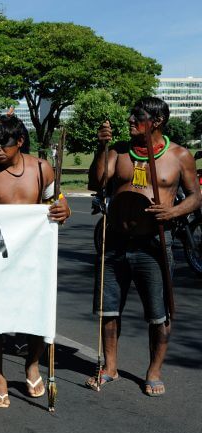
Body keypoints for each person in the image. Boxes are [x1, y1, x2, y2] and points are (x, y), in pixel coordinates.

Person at [86, 97, 200, 396]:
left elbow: (195, 197)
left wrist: (173, 212)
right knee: (108, 309)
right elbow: (95, 182)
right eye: (131, 116)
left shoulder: (179, 156)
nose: (130, 121)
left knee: (159, 312)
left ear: (157, 121)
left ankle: (153, 371)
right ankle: (110, 366)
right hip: (114, 241)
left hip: (154, 244)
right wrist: (102, 148)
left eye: (137, 117)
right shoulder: (119, 152)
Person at [0, 115, 70, 408]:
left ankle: (32, 365)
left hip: (34, 257)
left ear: (20, 142)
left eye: (4, 142)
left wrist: (63, 209)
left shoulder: (42, 169)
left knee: (37, 318)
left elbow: (58, 202)